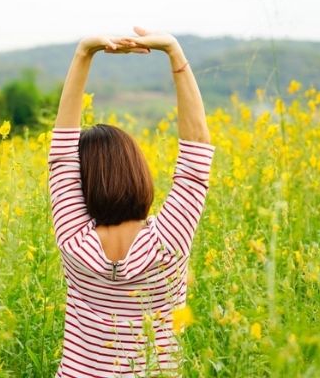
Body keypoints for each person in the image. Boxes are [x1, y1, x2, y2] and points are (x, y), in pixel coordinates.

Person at [47, 26, 216, 377]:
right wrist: (174, 52)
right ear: (136, 170)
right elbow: (196, 156)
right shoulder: (169, 242)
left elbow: (62, 157)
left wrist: (83, 53)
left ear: (82, 185)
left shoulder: (73, 242)